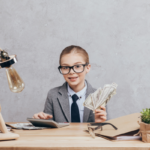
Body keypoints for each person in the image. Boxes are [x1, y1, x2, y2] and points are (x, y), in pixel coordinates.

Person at [33, 45, 107, 123]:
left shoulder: (99, 96)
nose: (71, 72)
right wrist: (40, 122)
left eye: (78, 66)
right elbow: (48, 126)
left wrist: (100, 124)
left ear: (87, 68)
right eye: (65, 67)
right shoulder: (53, 94)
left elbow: (108, 130)